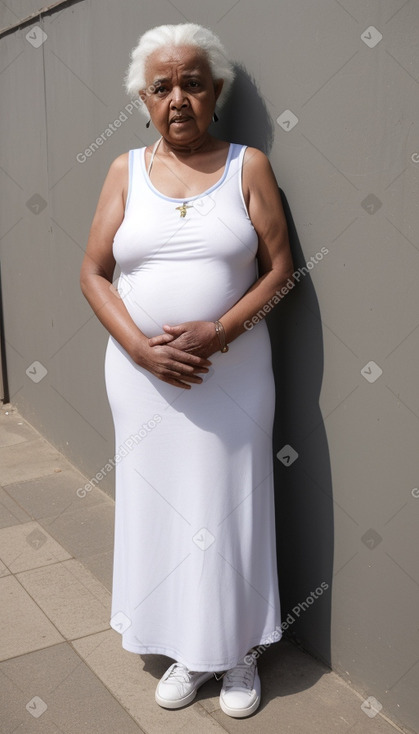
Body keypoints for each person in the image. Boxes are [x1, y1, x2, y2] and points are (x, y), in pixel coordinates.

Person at [80, 22, 294, 719]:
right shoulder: (121, 171)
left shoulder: (247, 165)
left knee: (228, 505)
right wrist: (140, 349)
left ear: (216, 91)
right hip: (141, 382)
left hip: (230, 377)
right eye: (162, 86)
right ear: (143, 98)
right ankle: (180, 645)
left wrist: (220, 331)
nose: (178, 98)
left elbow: (282, 271)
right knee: (161, 508)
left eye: (192, 83)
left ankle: (237, 653)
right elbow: (92, 272)